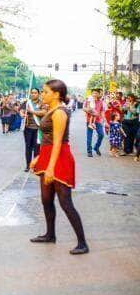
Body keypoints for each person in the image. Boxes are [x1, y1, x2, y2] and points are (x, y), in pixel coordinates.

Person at [30, 79, 88, 255]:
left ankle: (82, 243)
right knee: (46, 199)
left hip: (59, 158)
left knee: (65, 202)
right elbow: (48, 139)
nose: (43, 94)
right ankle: (50, 234)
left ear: (56, 94)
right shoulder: (51, 110)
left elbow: (58, 142)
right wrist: (39, 157)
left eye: (46, 92)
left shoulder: (60, 113)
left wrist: (50, 168)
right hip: (48, 155)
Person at [21, 88, 45, 172]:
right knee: (28, 147)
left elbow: (44, 112)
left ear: (38, 94)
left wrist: (32, 111)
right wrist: (23, 114)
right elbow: (21, 111)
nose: (33, 94)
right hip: (28, 128)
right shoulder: (27, 102)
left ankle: (35, 165)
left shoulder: (42, 103)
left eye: (35, 93)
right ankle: (28, 165)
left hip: (38, 129)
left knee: (37, 148)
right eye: (32, 93)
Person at [83, 88, 106, 157]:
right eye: (93, 93)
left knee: (101, 135)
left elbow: (102, 111)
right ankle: (89, 151)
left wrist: (104, 120)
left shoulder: (101, 102)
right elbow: (84, 108)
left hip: (98, 121)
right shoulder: (88, 100)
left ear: (99, 94)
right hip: (89, 121)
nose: (94, 94)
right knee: (89, 136)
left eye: (96, 93)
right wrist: (90, 111)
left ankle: (96, 147)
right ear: (91, 94)